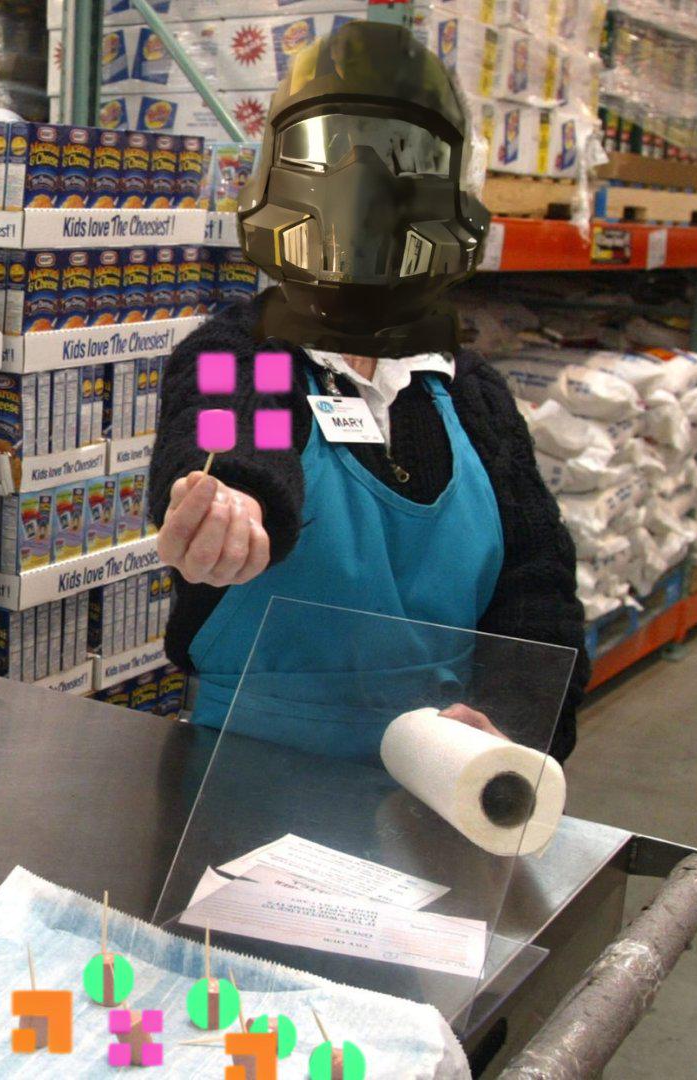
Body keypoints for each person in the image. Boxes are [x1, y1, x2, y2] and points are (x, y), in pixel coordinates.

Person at [149, 20, 588, 763]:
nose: (362, 200)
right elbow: (231, 431)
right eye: (328, 161)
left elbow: (536, 585)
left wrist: (512, 722)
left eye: (404, 166)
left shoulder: (473, 397)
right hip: (244, 778)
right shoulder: (243, 354)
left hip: (441, 776)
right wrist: (234, 508)